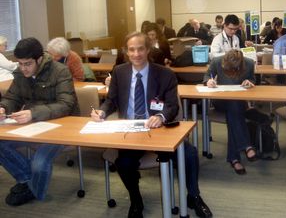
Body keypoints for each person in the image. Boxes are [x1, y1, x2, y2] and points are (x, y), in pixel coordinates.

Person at [90, 32, 212, 218]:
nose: (136, 54)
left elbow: (172, 105)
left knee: (189, 154)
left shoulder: (165, 74)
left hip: (160, 129)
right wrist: (102, 111)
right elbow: (111, 100)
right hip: (131, 130)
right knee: (124, 163)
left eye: (140, 49)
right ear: (126, 51)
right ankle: (136, 200)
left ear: (147, 50)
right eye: (132, 50)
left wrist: (161, 116)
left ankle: (194, 196)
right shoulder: (119, 72)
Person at [0, 37, 79, 206]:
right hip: (32, 125)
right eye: (19, 64)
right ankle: (28, 180)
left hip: (61, 126)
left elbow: (66, 105)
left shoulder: (60, 71)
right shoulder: (21, 73)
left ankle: (32, 188)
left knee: (40, 162)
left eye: (27, 64)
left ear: (40, 59)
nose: (23, 68)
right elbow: (12, 97)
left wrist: (33, 113)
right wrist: (3, 108)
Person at [204, 49, 257, 174]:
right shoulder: (217, 61)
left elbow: (253, 79)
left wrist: (250, 82)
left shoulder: (249, 63)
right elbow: (207, 76)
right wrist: (209, 81)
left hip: (238, 102)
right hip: (220, 101)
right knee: (234, 108)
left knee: (233, 112)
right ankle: (246, 145)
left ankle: (234, 159)